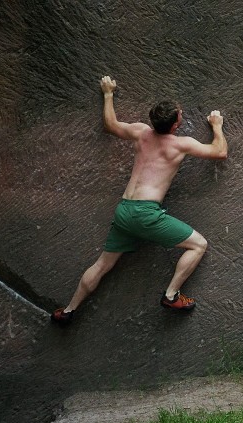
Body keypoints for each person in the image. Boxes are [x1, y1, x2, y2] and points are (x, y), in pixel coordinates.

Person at [51, 75, 228, 326]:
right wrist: (217, 126)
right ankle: (171, 295)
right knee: (198, 245)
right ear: (175, 125)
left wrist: (108, 93)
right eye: (180, 115)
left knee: (102, 265)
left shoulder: (141, 132)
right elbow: (220, 152)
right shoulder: (179, 145)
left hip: (124, 210)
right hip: (146, 212)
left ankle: (68, 310)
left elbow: (111, 124)